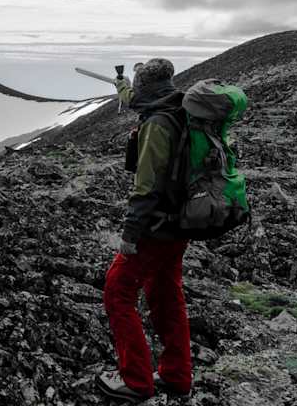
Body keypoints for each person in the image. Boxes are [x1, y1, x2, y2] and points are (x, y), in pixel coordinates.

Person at [97, 58, 193, 402]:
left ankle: (135, 381)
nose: (134, 90)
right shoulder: (179, 109)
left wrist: (130, 234)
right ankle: (177, 375)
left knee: (117, 292)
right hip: (181, 223)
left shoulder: (157, 124)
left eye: (137, 84)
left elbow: (147, 185)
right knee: (167, 295)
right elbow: (131, 97)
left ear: (147, 86)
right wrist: (121, 85)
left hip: (155, 225)